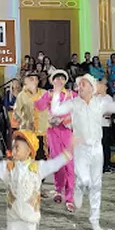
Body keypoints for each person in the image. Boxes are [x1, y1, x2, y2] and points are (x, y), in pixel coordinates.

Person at [48, 74, 115, 230]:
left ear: (91, 87)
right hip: (81, 147)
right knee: (84, 178)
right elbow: (55, 110)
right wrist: (56, 91)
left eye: (84, 84)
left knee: (96, 185)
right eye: (79, 84)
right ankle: (79, 187)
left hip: (97, 147)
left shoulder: (101, 103)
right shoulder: (73, 103)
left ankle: (95, 220)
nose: (80, 86)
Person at [34, 70, 75, 210]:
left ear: (64, 81)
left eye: (61, 78)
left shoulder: (70, 95)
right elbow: (38, 107)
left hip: (67, 131)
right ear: (52, 81)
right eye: (56, 78)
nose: (59, 80)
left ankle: (70, 197)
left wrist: (64, 119)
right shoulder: (49, 94)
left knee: (69, 165)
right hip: (52, 132)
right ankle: (58, 191)